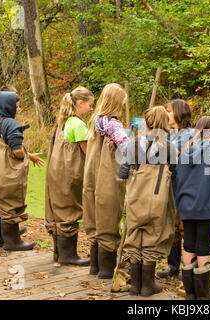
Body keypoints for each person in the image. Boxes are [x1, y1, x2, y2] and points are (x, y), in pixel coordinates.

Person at [119, 106, 177, 297]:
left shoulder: (134, 143)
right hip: (158, 199)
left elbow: (122, 173)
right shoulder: (169, 147)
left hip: (135, 198)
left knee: (134, 238)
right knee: (153, 238)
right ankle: (147, 287)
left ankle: (135, 286)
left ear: (146, 122)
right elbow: (175, 174)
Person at [0, 86, 45, 251]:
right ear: (7, 106)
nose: (19, 108)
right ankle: (13, 242)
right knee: (9, 204)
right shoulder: (12, 125)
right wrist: (24, 155)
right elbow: (17, 151)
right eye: (17, 105)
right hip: (7, 174)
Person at [175, 116, 210, 300]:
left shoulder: (184, 150)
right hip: (206, 205)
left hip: (186, 205)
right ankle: (204, 296)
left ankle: (191, 294)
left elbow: (176, 176)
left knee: (189, 245)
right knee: (203, 248)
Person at [82, 83, 129, 278]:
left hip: (91, 178)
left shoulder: (94, 121)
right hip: (108, 179)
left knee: (94, 219)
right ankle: (107, 270)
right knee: (109, 219)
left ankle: (95, 266)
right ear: (117, 102)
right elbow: (127, 150)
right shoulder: (114, 125)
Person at [45, 87, 94, 266]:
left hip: (56, 171)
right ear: (79, 103)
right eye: (89, 105)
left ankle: (58, 254)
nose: (90, 109)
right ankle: (69, 256)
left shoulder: (62, 121)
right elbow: (88, 152)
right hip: (70, 172)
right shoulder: (79, 124)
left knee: (59, 209)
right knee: (70, 210)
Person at [157, 99, 194, 279]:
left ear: (178, 113)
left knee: (184, 228)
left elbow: (176, 154)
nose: (166, 113)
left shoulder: (190, 134)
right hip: (170, 187)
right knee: (171, 228)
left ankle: (188, 269)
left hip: (185, 188)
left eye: (168, 110)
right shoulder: (170, 134)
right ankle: (172, 266)